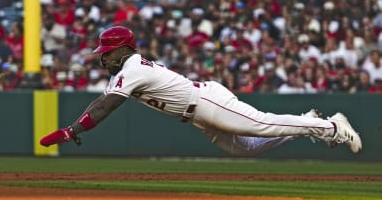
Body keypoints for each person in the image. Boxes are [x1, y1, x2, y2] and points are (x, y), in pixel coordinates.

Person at [40, 26, 362, 156]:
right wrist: (74, 128)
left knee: (262, 123)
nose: (103, 57)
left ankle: (331, 127)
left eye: (106, 52)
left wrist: (71, 131)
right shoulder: (127, 69)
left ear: (122, 49)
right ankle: (308, 121)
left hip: (207, 102)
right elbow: (102, 101)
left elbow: (104, 106)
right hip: (196, 115)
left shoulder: (133, 68)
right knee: (247, 148)